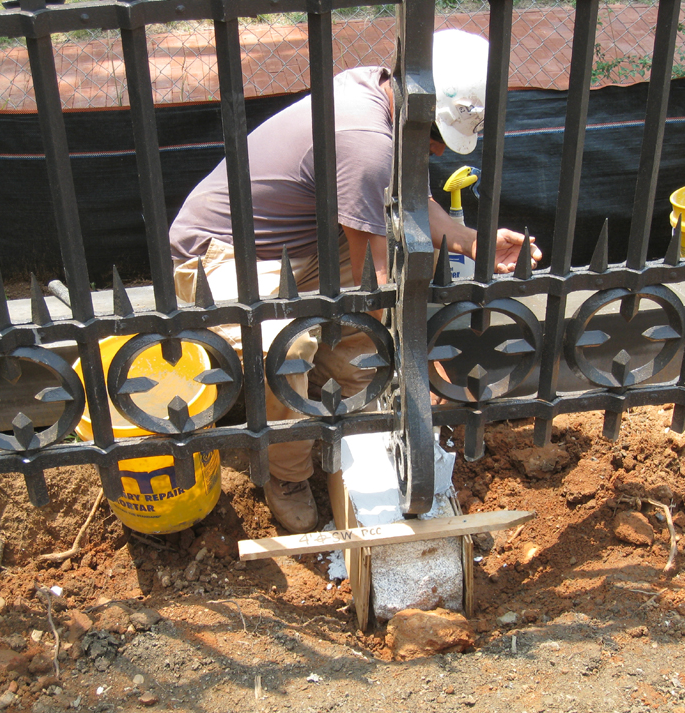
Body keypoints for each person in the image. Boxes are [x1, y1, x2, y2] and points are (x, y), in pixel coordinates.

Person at [169, 28, 542, 533]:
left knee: (368, 335)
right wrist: (420, 375)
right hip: (223, 253)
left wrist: (469, 238)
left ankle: (345, 413)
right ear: (421, 107)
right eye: (436, 140)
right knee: (286, 350)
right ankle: (288, 474)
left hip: (299, 245)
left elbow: (406, 195)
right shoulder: (363, 136)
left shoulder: (382, 90)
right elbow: (378, 290)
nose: (435, 153)